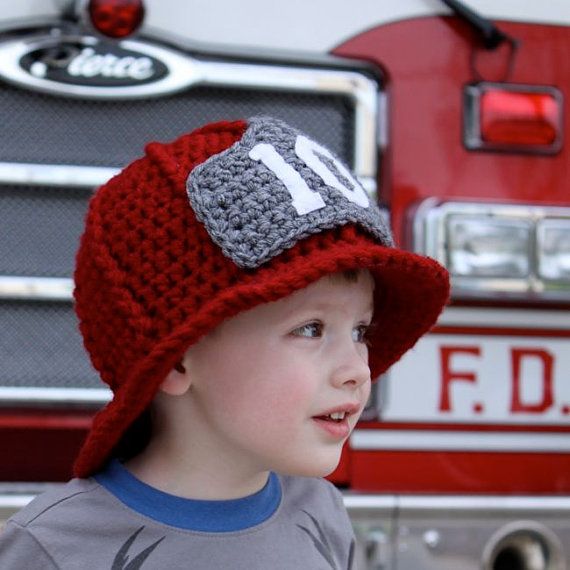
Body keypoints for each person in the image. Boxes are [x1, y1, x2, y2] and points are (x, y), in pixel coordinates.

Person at [0, 116, 449, 569]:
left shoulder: (320, 512)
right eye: (310, 328)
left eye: (360, 331)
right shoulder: (55, 551)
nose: (357, 370)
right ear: (177, 359)